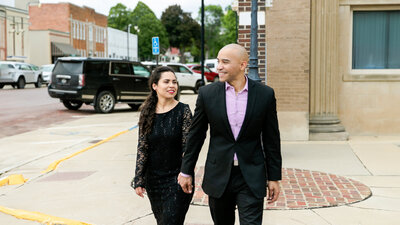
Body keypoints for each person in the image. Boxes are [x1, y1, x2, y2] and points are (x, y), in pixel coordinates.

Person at [178, 43, 282, 225]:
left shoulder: (265, 94)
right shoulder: (207, 94)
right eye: (218, 61)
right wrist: (186, 170)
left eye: (225, 62)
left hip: (251, 175)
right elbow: (196, 135)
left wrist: (274, 177)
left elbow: (271, 138)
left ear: (242, 65)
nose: (219, 66)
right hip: (219, 176)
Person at [132, 66, 193, 225]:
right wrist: (139, 178)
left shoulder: (183, 111)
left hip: (178, 179)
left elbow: (188, 148)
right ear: (155, 86)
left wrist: (186, 173)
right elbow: (143, 147)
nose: (172, 85)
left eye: (174, 82)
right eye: (166, 82)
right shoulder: (147, 112)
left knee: (170, 221)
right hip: (154, 181)